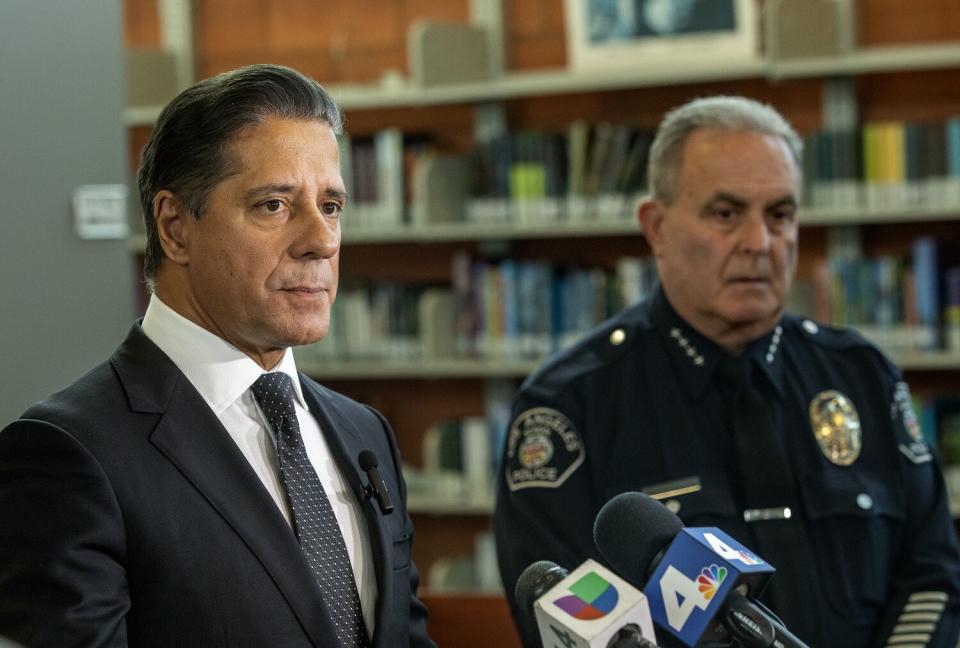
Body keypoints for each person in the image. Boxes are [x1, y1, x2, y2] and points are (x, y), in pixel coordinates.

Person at [494, 95, 960, 647]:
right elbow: (571, 624)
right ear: (657, 227)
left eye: (780, 215)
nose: (759, 243)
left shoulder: (861, 377)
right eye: (726, 214)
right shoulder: (573, 406)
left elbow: (931, 578)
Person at [0, 64, 434, 648]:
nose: (322, 240)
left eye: (331, 205)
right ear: (176, 228)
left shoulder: (364, 433)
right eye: (274, 205)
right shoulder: (70, 453)